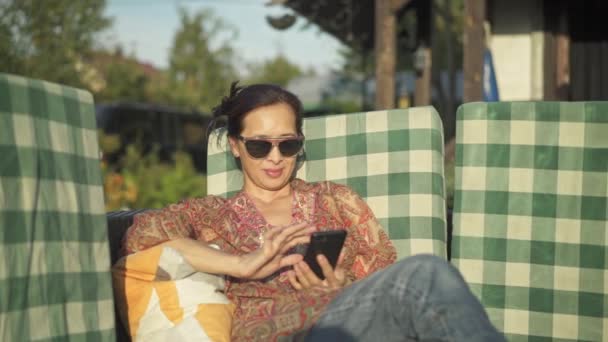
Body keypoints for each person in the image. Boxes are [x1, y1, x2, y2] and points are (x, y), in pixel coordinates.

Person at [122, 82, 505, 341]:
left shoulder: (336, 201)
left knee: (424, 275)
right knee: (426, 271)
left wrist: (340, 288)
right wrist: (241, 265)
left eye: (287, 146)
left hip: (344, 325)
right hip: (270, 334)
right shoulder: (211, 215)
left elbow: (390, 287)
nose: (275, 158)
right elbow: (140, 236)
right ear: (236, 146)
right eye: (259, 146)